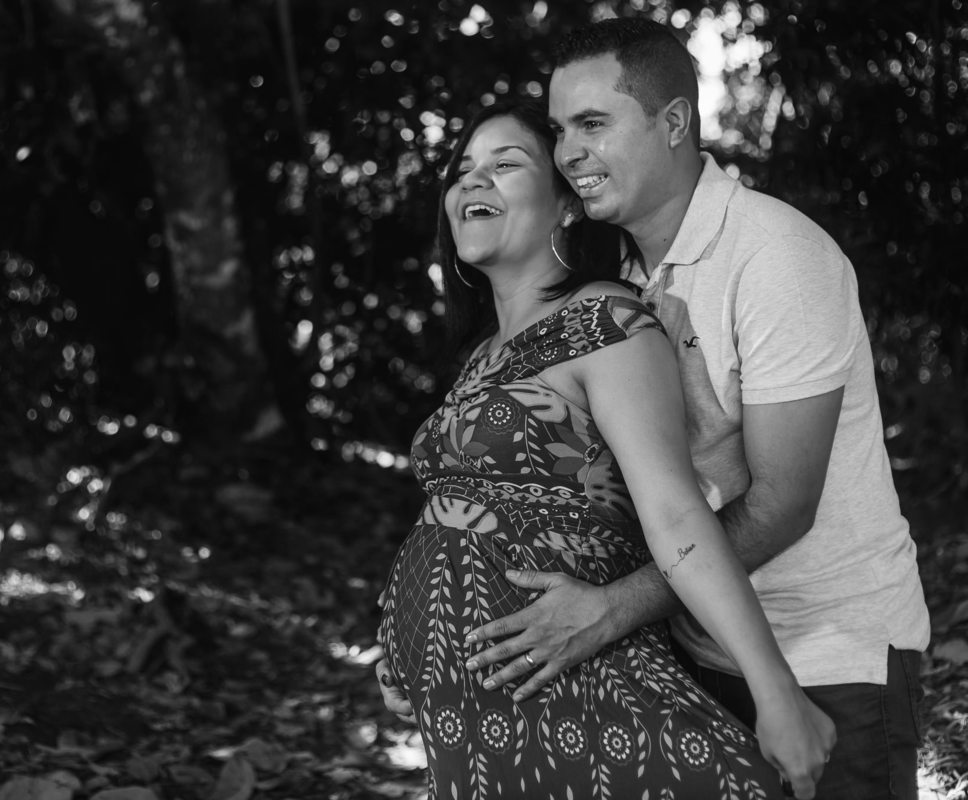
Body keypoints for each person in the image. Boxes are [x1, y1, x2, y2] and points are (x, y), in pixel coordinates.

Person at [378, 17, 930, 800]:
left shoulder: (774, 257)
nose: (570, 152)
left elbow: (779, 504)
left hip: (821, 654)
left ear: (673, 122)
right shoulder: (623, 272)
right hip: (685, 652)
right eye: (562, 129)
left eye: (592, 124)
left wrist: (611, 610)